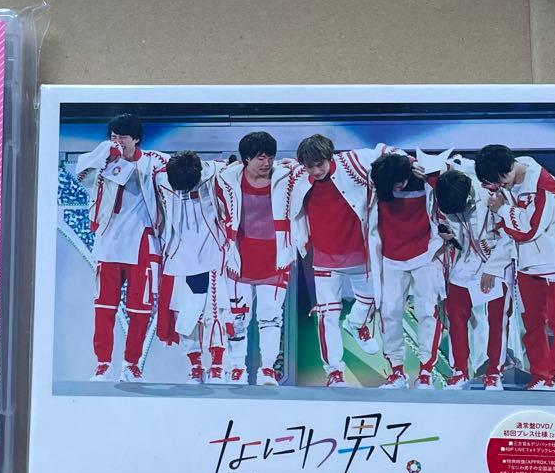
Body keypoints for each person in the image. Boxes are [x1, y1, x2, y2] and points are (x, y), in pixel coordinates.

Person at [475, 144, 555, 391]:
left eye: (499, 180)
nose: (498, 186)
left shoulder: (543, 186)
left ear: (508, 169)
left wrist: (502, 209)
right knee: (532, 324)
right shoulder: (508, 177)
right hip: (526, 266)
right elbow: (509, 231)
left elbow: (529, 229)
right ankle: (540, 375)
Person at [75, 113, 167, 382]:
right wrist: (106, 153)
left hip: (142, 244)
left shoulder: (153, 162)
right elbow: (81, 172)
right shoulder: (102, 163)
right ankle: (103, 364)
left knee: (140, 311)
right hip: (108, 245)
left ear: (136, 138)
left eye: (122, 137)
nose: (117, 142)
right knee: (104, 308)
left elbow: (179, 171)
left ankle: (132, 364)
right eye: (112, 137)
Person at [289, 134, 383, 387]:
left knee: (371, 299)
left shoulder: (354, 161)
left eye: (320, 164)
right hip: (325, 257)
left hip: (360, 253)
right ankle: (334, 371)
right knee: (327, 315)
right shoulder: (298, 177)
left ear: (330, 157)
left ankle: (357, 324)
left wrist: (415, 163)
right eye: (310, 166)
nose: (316, 171)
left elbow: (384, 149)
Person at [214, 131, 300, 385]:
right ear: (246, 159)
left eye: (270, 157)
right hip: (239, 258)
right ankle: (237, 368)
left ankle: (268, 369)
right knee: (236, 316)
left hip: (275, 258)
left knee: (271, 316)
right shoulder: (227, 178)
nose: (267, 163)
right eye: (261, 158)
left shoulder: (286, 177)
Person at [433, 161, 515, 390]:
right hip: (466, 262)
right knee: (455, 313)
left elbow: (509, 236)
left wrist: (493, 268)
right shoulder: (446, 193)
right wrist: (449, 236)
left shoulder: (494, 196)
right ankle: (459, 370)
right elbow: (456, 230)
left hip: (496, 262)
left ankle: (494, 372)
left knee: (497, 318)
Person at [369, 151, 447, 389]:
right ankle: (396, 372)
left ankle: (425, 372)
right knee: (390, 312)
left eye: (400, 182)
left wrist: (434, 176)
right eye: (392, 185)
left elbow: (459, 169)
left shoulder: (426, 174)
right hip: (390, 257)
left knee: (427, 311)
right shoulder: (378, 178)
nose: (398, 187)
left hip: (425, 254)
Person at [154, 151, 231, 382]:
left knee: (214, 314)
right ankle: (195, 366)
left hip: (211, 256)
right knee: (184, 316)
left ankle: (217, 366)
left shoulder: (216, 173)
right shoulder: (161, 179)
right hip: (178, 259)